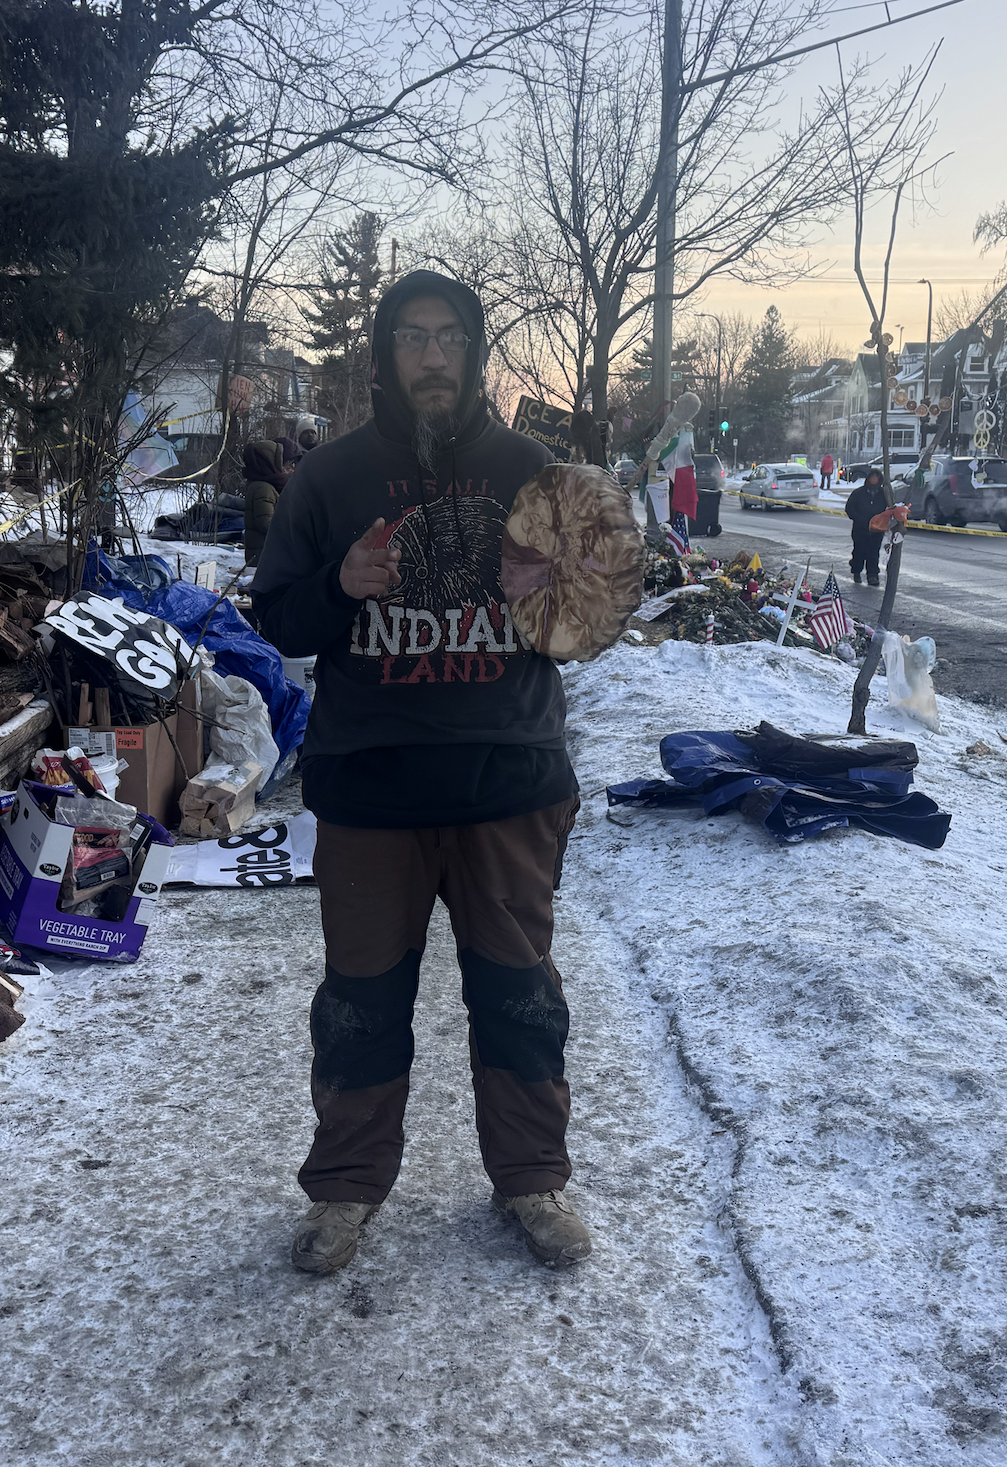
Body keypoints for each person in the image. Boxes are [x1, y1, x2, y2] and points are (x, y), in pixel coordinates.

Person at [252, 269, 590, 1276]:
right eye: (413, 337)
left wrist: (555, 584)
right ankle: (346, 1192)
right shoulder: (330, 477)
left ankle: (532, 1178)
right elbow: (275, 618)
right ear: (384, 355)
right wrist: (340, 583)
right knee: (360, 1002)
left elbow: (600, 617)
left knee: (520, 994)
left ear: (474, 351)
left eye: (450, 336)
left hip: (509, 783)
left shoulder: (537, 472)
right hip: (373, 789)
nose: (434, 355)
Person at [240, 438, 291, 567]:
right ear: (269, 461)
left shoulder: (264, 485)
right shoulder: (263, 488)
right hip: (264, 556)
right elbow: (266, 523)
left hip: (264, 554)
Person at [846, 466, 891, 586]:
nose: (874, 480)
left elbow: (889, 508)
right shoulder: (858, 493)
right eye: (872, 477)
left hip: (876, 530)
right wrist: (859, 519)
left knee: (873, 553)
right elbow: (849, 509)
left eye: (877, 478)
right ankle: (856, 571)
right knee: (859, 552)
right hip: (860, 529)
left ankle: (872, 575)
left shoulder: (883, 494)